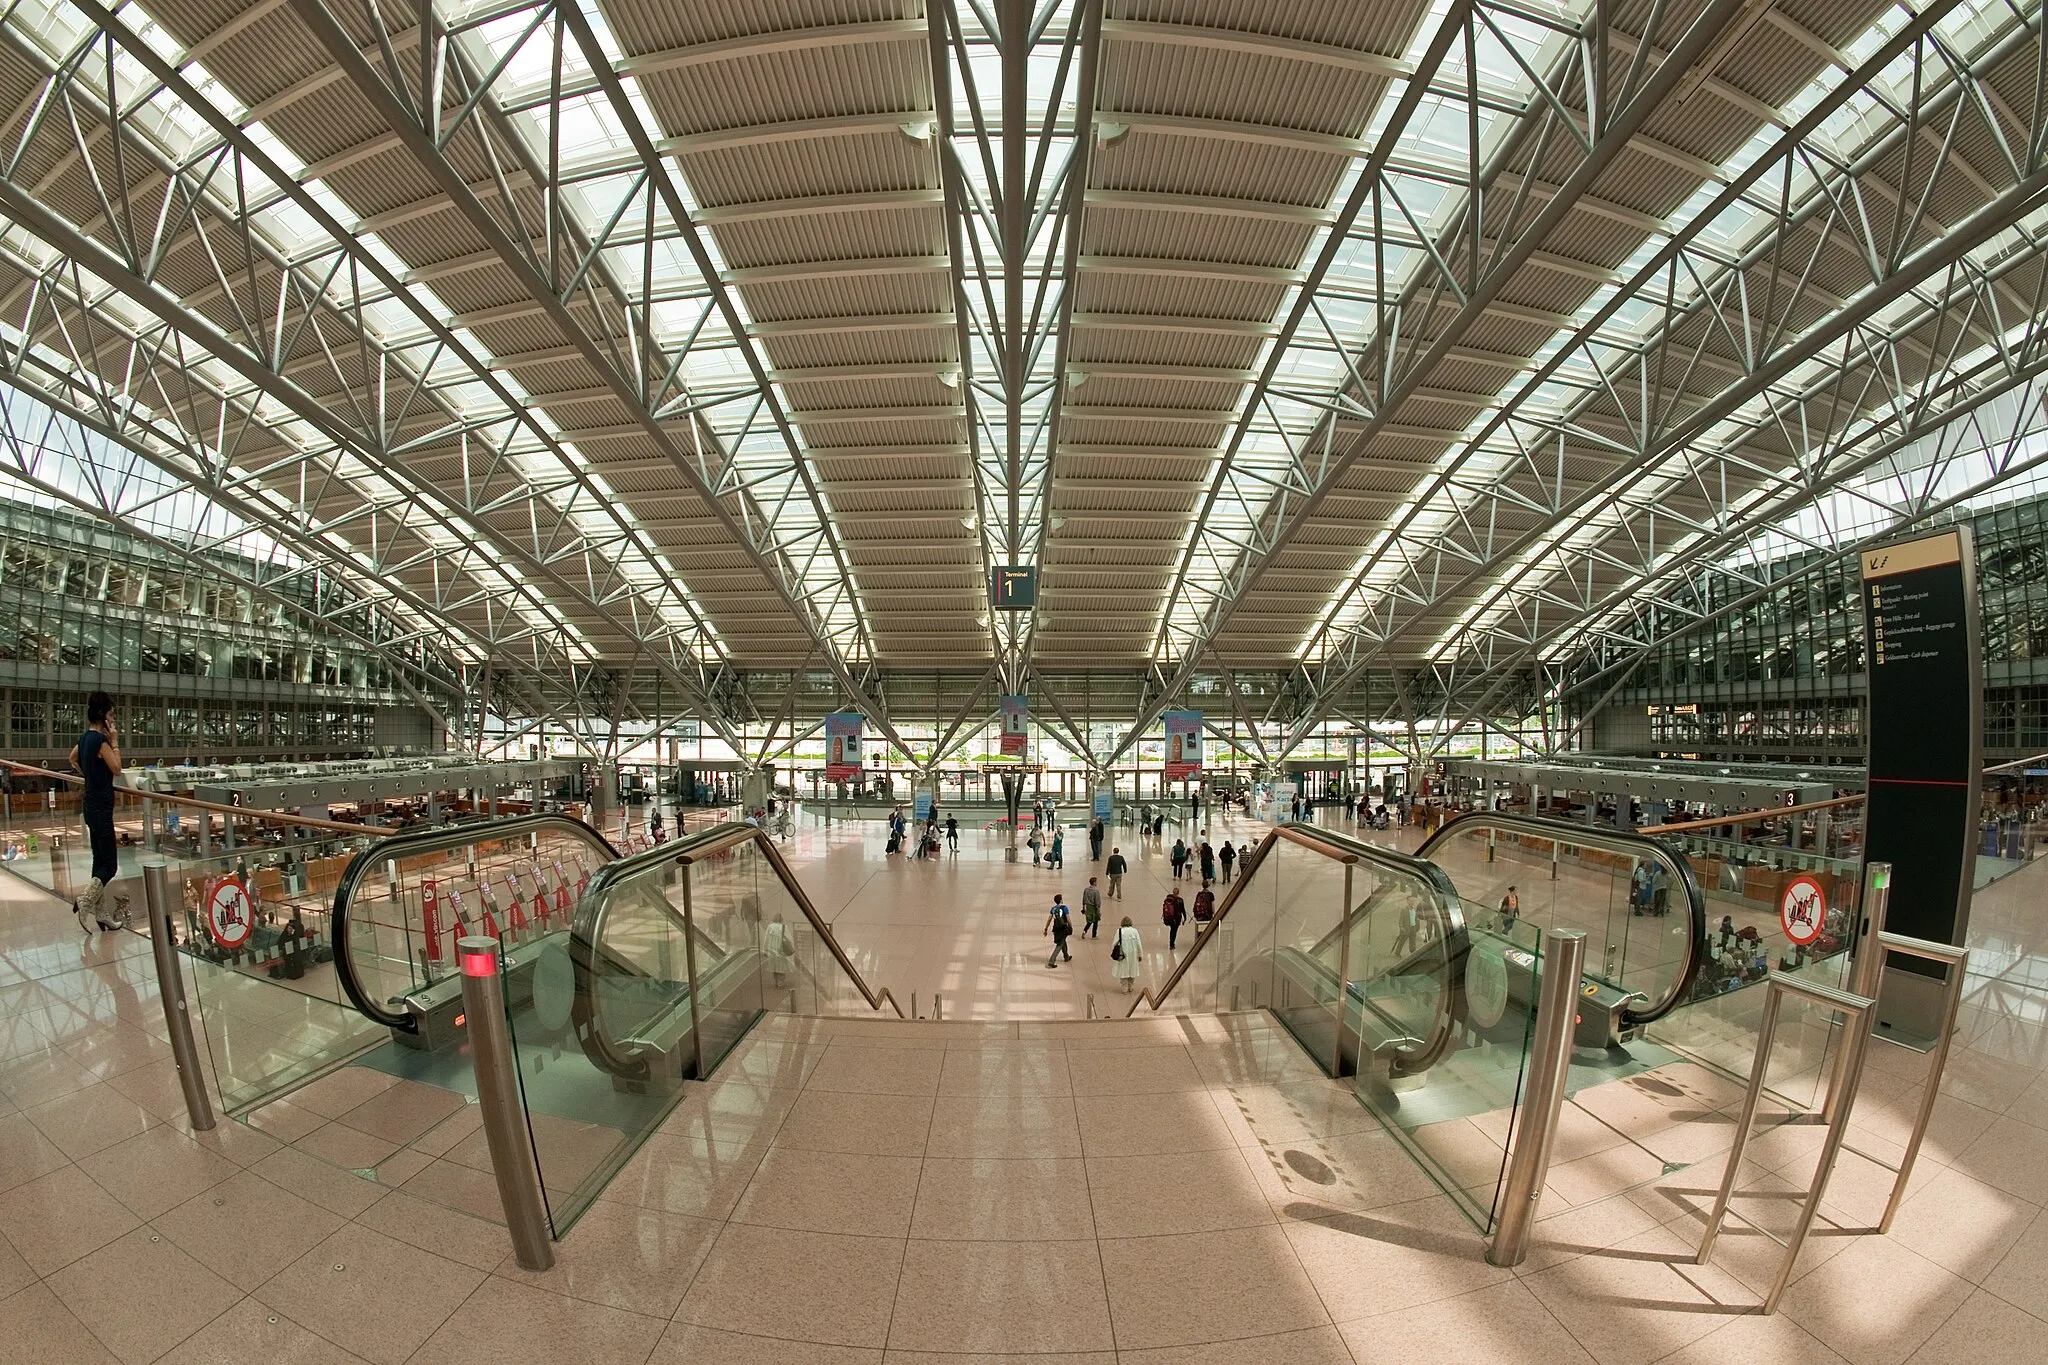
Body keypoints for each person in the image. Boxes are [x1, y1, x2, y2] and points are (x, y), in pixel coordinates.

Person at [70, 691, 126, 934]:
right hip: (102, 807)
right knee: (110, 865)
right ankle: (85, 900)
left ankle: (102, 914)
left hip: (89, 803)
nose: (113, 720)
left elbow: (72, 758)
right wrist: (114, 741)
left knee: (98, 860)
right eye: (111, 715)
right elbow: (117, 769)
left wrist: (90, 776)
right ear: (103, 715)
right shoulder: (101, 742)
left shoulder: (84, 739)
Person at [1111, 916, 1143, 993]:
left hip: (1123, 954)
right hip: (1133, 954)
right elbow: (1139, 943)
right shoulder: (1135, 931)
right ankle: (1131, 986)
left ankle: (1124, 988)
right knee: (1132, 970)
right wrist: (1140, 954)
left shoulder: (1119, 931)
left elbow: (1114, 943)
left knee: (1123, 971)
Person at [764, 914, 796, 988]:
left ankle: (776, 982)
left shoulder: (770, 927)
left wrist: (765, 949)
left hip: (771, 950)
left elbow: (766, 938)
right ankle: (780, 983)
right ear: (781, 919)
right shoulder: (784, 927)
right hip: (781, 950)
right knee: (781, 968)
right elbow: (789, 939)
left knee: (774, 967)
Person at [1045, 894, 1074, 967]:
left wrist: (1046, 928)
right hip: (1063, 928)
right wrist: (1070, 926)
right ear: (1061, 900)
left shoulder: (1053, 909)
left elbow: (1049, 919)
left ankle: (1066, 956)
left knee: (1062, 940)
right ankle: (1051, 961)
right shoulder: (1064, 908)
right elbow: (1068, 918)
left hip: (1056, 928)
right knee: (1060, 944)